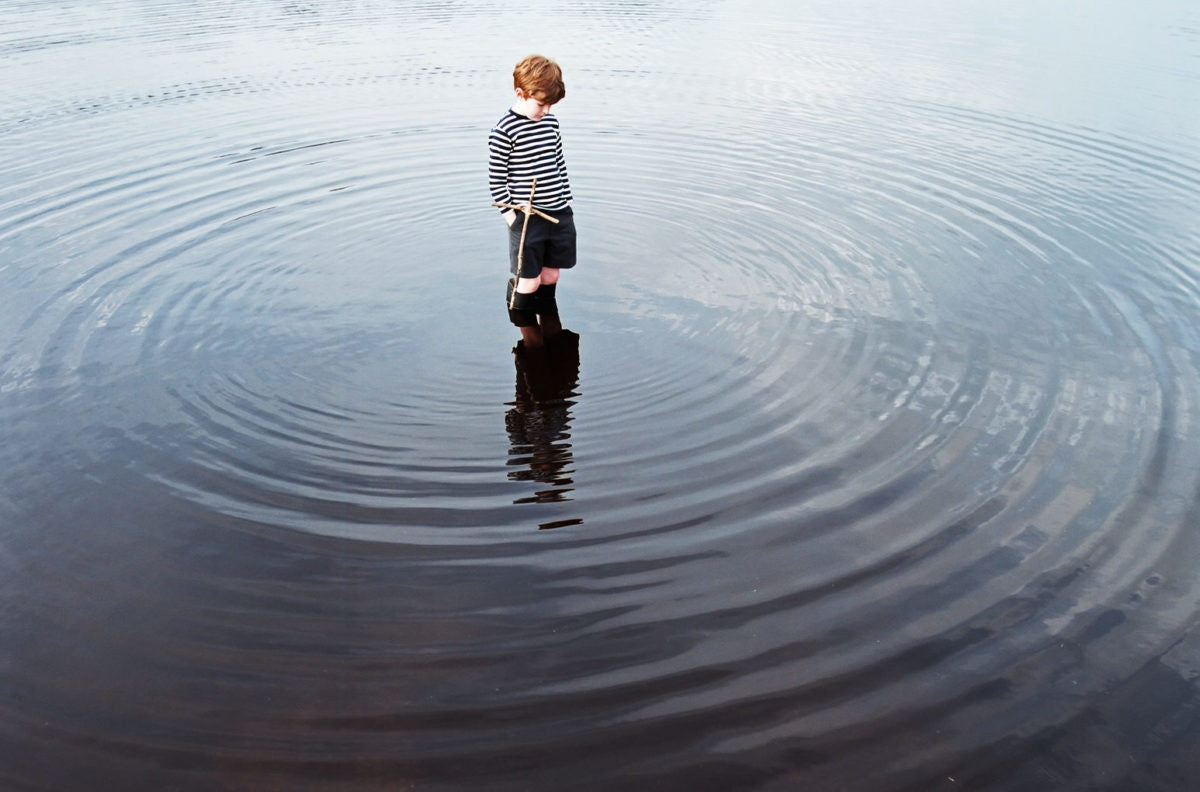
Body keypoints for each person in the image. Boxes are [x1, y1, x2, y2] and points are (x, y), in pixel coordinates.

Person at [488, 54, 576, 351]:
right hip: (527, 218)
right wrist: (511, 218)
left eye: (551, 104)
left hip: (559, 211)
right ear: (520, 94)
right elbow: (497, 182)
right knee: (530, 281)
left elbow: (559, 163)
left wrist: (565, 200)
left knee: (551, 274)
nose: (546, 110)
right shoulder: (504, 131)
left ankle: (551, 329)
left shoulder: (550, 122)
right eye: (541, 103)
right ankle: (532, 349)